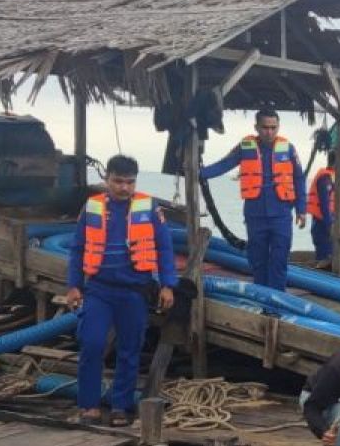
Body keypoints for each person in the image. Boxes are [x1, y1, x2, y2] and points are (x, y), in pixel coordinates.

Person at [66, 154, 177, 426]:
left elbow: (164, 248)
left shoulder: (150, 208)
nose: (124, 187)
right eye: (118, 181)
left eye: (129, 182)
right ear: (107, 180)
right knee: (91, 343)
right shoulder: (91, 207)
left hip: (135, 290)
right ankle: (89, 405)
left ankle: (121, 406)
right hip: (99, 290)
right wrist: (73, 286)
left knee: (130, 348)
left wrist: (168, 285)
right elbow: (77, 249)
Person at [200, 108, 306, 290]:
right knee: (257, 260)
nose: (270, 132)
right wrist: (199, 173)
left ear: (278, 126)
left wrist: (301, 209)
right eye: (265, 127)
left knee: (279, 260)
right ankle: (262, 300)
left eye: (274, 127)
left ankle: (276, 304)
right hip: (255, 215)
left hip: (281, 214)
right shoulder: (245, 146)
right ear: (256, 127)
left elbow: (298, 178)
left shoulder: (288, 148)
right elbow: (224, 164)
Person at [307, 150, 337, 268]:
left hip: (327, 222)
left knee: (329, 256)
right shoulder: (325, 178)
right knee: (325, 258)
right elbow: (324, 205)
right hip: (322, 224)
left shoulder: (332, 176)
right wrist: (330, 225)